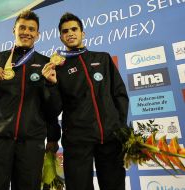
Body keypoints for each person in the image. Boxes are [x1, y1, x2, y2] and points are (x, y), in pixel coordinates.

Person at [0, 10, 60, 190]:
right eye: (22, 27)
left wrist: (53, 137)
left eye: (31, 29)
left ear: (37, 34)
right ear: (14, 30)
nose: (26, 32)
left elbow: (53, 110)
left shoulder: (46, 63)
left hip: (31, 145)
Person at [42, 13, 129, 190]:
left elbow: (119, 94)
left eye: (74, 29)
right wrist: (51, 84)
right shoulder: (58, 68)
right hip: (77, 142)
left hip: (110, 139)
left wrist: (119, 127)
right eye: (65, 31)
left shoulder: (103, 58)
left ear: (83, 33)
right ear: (61, 37)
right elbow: (54, 108)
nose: (70, 33)